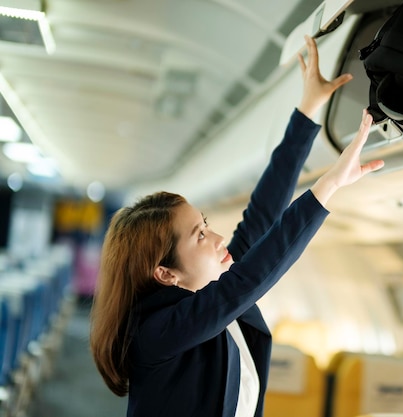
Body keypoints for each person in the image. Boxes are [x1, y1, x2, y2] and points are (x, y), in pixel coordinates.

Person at [89, 35, 384, 417]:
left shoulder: (208, 291)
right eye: (199, 235)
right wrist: (328, 185)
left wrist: (309, 110)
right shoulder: (156, 333)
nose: (217, 238)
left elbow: (262, 217)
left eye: (206, 225)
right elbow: (248, 281)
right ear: (165, 272)